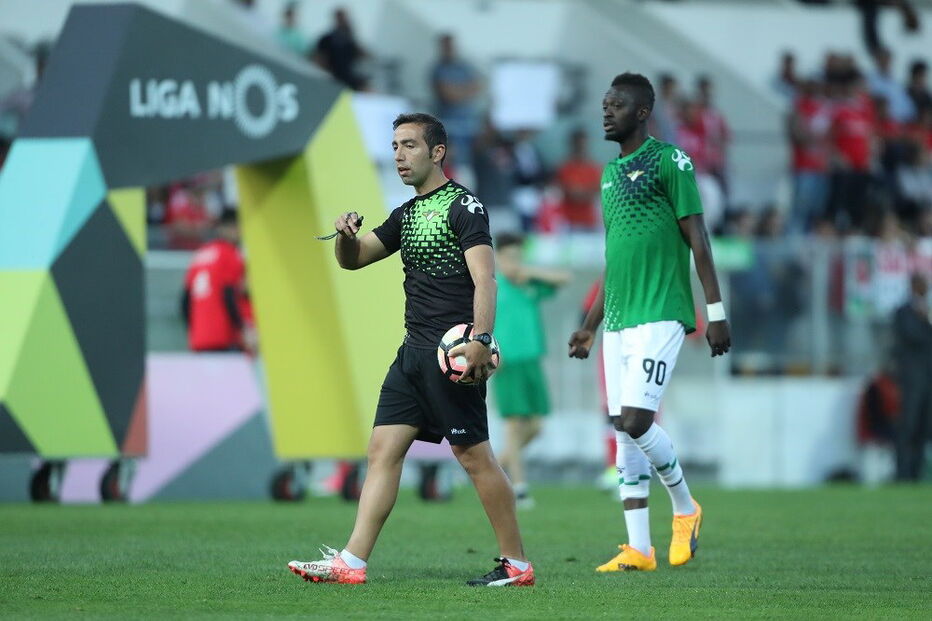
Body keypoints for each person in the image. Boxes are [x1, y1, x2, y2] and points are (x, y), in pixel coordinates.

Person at [287, 113, 534, 587]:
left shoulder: (465, 207)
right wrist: (344, 237)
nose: (399, 156)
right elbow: (356, 260)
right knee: (382, 450)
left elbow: (486, 278)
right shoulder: (407, 214)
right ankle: (352, 562)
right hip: (412, 355)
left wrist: (481, 340)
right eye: (395, 146)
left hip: (451, 355)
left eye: (409, 146)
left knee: (474, 458)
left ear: (437, 152)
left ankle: (517, 564)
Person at [567, 73, 731, 572]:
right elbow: (615, 260)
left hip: (661, 311)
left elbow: (698, 239)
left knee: (638, 420)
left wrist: (715, 312)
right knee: (623, 429)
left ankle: (686, 507)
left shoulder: (670, 161)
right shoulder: (609, 175)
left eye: (616, 104)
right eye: (604, 103)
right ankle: (638, 547)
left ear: (641, 112)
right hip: (618, 316)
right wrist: (591, 324)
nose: (605, 111)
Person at [492, 232, 570, 508]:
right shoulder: (492, 287)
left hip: (532, 360)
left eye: (519, 257)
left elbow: (564, 279)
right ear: (498, 258)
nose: (515, 263)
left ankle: (495, 466)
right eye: (510, 257)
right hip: (507, 362)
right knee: (513, 426)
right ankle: (519, 487)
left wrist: (530, 272)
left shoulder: (529, 284)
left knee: (536, 426)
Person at [181, 209, 255, 353]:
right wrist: (242, 327)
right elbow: (228, 294)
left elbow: (185, 301)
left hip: (199, 338)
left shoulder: (200, 254)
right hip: (224, 337)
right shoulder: (229, 254)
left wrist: (195, 327)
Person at [890, 273, 932, 481]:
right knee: (908, 425)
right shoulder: (904, 312)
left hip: (928, 379)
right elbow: (912, 336)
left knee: (924, 426)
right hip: (911, 380)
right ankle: (902, 473)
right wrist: (925, 320)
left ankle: (916, 472)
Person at [430, 34, 482, 171]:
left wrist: (457, 90)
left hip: (468, 125)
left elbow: (478, 86)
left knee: (469, 166)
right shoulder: (438, 69)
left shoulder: (465, 66)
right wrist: (465, 90)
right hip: (450, 127)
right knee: (453, 166)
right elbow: (448, 95)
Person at [554, 128, 603, 231]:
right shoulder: (565, 168)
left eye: (583, 144)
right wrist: (585, 192)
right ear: (572, 145)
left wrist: (582, 192)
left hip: (589, 221)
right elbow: (572, 194)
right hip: (569, 221)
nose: (581, 147)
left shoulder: (594, 168)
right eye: (578, 144)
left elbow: (597, 192)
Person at [311, 8, 367, 91]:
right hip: (332, 78)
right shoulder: (326, 39)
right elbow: (319, 59)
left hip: (347, 78)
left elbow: (361, 55)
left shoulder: (349, 40)